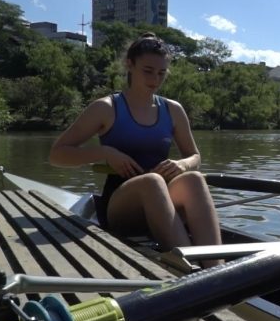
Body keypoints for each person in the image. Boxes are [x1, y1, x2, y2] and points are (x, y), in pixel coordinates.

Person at [49, 32, 222, 260]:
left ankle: (216, 267)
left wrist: (182, 164)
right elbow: (57, 155)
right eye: (148, 71)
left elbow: (194, 156)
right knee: (152, 181)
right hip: (120, 208)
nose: (155, 80)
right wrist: (104, 152)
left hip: (163, 201)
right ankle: (191, 270)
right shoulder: (106, 108)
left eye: (161, 73)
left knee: (195, 179)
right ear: (130, 65)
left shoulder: (173, 110)